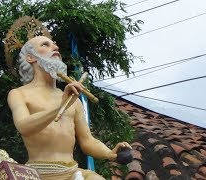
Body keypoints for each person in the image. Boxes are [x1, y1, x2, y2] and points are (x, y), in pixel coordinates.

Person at [7, 36, 131, 180]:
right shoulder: (19, 94)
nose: (55, 47)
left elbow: (87, 141)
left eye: (54, 44)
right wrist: (61, 106)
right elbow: (24, 126)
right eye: (45, 45)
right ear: (30, 57)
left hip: (73, 172)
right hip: (39, 174)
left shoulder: (72, 99)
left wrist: (109, 153)